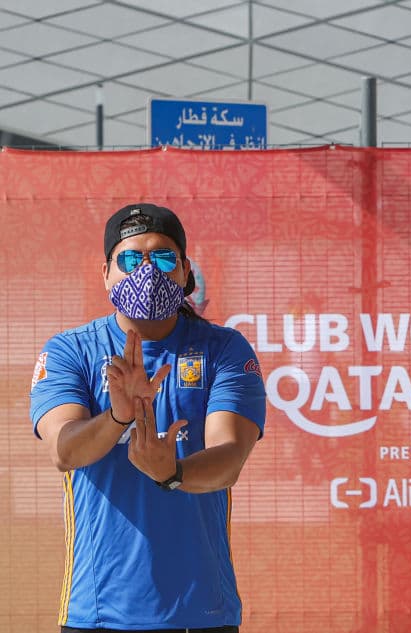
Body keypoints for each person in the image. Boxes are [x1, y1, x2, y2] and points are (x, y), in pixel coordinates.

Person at [30, 203, 267, 632]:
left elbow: (229, 457)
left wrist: (172, 473)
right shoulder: (71, 351)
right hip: (98, 614)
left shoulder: (224, 349)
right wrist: (118, 417)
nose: (146, 271)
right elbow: (64, 452)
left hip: (202, 612)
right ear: (106, 272)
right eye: (130, 258)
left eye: (162, 257)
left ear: (184, 270)